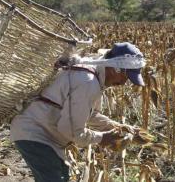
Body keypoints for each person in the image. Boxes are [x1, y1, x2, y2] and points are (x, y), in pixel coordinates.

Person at [10, 42, 146, 182]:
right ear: (116, 68)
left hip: (43, 135)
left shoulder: (96, 78)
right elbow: (71, 130)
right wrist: (102, 138)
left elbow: (91, 114)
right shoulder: (88, 82)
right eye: (126, 77)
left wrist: (116, 126)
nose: (124, 83)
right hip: (35, 133)